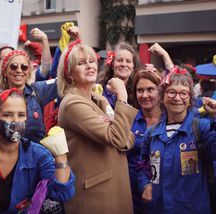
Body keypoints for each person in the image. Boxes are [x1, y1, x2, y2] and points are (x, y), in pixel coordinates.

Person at [57, 40, 138, 213]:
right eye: (81, 63)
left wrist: (117, 131)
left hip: (114, 188)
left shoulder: (97, 99)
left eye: (91, 61)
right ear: (69, 73)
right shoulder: (73, 103)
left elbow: (127, 139)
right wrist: (122, 96)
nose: (89, 66)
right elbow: (118, 137)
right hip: (95, 195)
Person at [138, 66, 216, 213]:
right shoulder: (152, 134)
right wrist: (145, 184)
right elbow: (143, 165)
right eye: (172, 92)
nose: (177, 98)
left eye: (184, 93)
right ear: (162, 97)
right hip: (159, 208)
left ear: (190, 99)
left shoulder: (202, 129)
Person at [0, 49, 58, 143]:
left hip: (36, 155)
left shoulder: (38, 90)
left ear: (29, 72)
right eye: (13, 66)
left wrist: (69, 47)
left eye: (24, 67)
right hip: (7, 155)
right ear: (4, 71)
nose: (19, 70)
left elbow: (64, 80)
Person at [128, 64, 163, 213]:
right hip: (133, 195)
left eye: (150, 89)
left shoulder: (171, 119)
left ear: (160, 91)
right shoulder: (129, 119)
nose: (144, 95)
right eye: (140, 90)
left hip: (165, 192)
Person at [98, 42, 140, 108]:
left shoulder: (138, 91)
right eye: (120, 60)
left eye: (128, 61)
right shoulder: (99, 89)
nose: (123, 64)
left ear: (133, 67)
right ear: (112, 64)